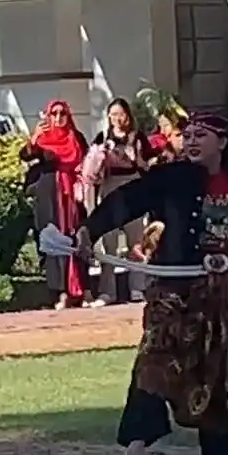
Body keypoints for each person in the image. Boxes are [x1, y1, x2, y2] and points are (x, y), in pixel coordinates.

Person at [65, 112, 228, 455]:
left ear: (222, 142)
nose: (191, 141)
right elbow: (129, 199)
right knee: (157, 360)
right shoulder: (172, 178)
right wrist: (89, 230)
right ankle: (139, 440)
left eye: (201, 135)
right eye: (187, 136)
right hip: (174, 287)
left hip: (221, 293)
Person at [23, 101, 91, 309]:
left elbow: (86, 161)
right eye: (54, 113)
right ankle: (60, 291)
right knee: (53, 240)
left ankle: (82, 289)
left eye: (62, 113)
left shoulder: (76, 137)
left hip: (72, 194)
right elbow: (26, 155)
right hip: (50, 194)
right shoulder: (43, 137)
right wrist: (34, 138)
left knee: (76, 236)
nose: (59, 117)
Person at [85, 98, 149, 305]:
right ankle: (107, 292)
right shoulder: (103, 138)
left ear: (128, 116)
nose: (117, 119)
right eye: (113, 115)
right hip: (110, 185)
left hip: (132, 184)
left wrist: (135, 155)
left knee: (136, 241)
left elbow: (147, 164)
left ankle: (137, 288)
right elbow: (91, 169)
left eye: (120, 114)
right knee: (108, 242)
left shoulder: (137, 138)